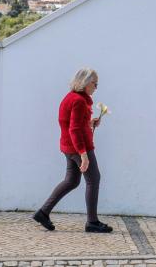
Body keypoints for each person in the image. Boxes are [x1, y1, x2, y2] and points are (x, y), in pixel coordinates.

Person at [33, 68, 112, 233]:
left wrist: (90, 122)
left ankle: (43, 212)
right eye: (94, 83)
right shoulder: (78, 101)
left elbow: (73, 123)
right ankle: (92, 222)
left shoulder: (72, 97)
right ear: (85, 82)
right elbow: (74, 129)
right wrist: (83, 154)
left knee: (71, 181)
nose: (96, 87)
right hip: (78, 146)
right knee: (93, 179)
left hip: (69, 146)